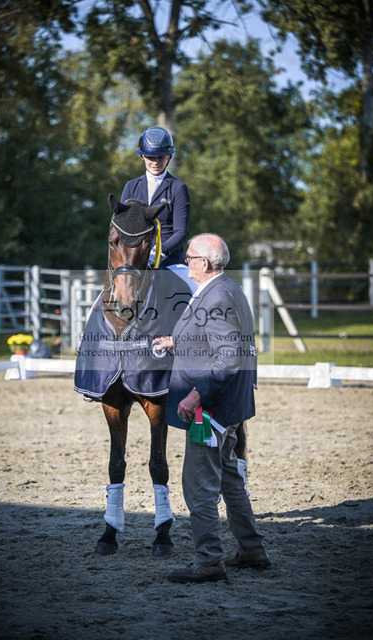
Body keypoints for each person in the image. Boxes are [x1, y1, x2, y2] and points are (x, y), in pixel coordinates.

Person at [153, 233, 271, 584]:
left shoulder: (216, 297)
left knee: (199, 485)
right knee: (231, 480)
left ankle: (209, 560)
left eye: (189, 257)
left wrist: (196, 395)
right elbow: (218, 340)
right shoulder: (228, 289)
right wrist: (177, 341)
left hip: (209, 411)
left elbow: (229, 356)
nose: (185, 262)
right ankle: (252, 549)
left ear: (203, 263)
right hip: (230, 408)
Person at [121, 126, 190, 267]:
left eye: (161, 157)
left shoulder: (178, 188)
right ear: (142, 156)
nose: (155, 162)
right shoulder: (131, 187)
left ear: (168, 157)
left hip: (169, 261)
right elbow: (123, 227)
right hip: (135, 259)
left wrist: (160, 251)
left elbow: (181, 232)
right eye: (150, 157)